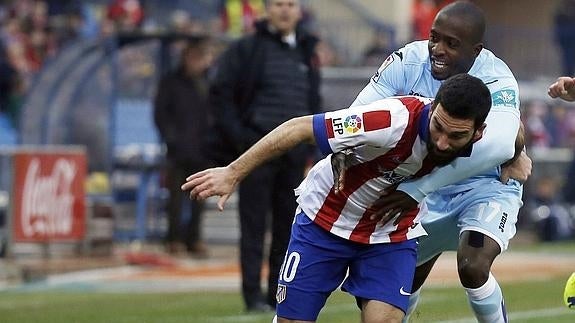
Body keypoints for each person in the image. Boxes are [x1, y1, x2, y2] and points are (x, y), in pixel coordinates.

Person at [183, 73, 493, 323]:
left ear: (478, 133)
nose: (442, 140)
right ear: (433, 106)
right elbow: (299, 128)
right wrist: (233, 172)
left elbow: (511, 139)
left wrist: (516, 156)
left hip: (389, 235)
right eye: (438, 126)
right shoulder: (388, 121)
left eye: (456, 136)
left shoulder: (487, 143)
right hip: (325, 221)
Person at [331, 2, 531, 322]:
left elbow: (502, 143)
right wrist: (344, 146)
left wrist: (422, 187)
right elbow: (363, 109)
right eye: (434, 38)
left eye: (452, 44)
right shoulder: (408, 60)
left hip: (482, 186)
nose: (438, 49)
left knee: (473, 267)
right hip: (423, 188)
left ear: (476, 50)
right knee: (393, 287)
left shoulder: (497, 77)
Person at [207, 0, 322, 312]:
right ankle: (252, 297)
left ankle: (277, 294)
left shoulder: (306, 52)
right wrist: (242, 139)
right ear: (266, 10)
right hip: (256, 153)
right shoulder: (247, 49)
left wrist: (311, 147)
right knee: (254, 227)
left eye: (290, 4)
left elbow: (313, 101)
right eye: (278, 4)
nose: (285, 10)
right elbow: (221, 95)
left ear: (299, 11)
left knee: (288, 227)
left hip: (294, 157)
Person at [153, 36, 215, 258]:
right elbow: (161, 114)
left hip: (202, 149)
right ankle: (173, 239)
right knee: (175, 198)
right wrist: (172, 139)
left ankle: (194, 239)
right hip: (178, 151)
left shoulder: (209, 83)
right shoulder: (171, 82)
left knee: (199, 197)